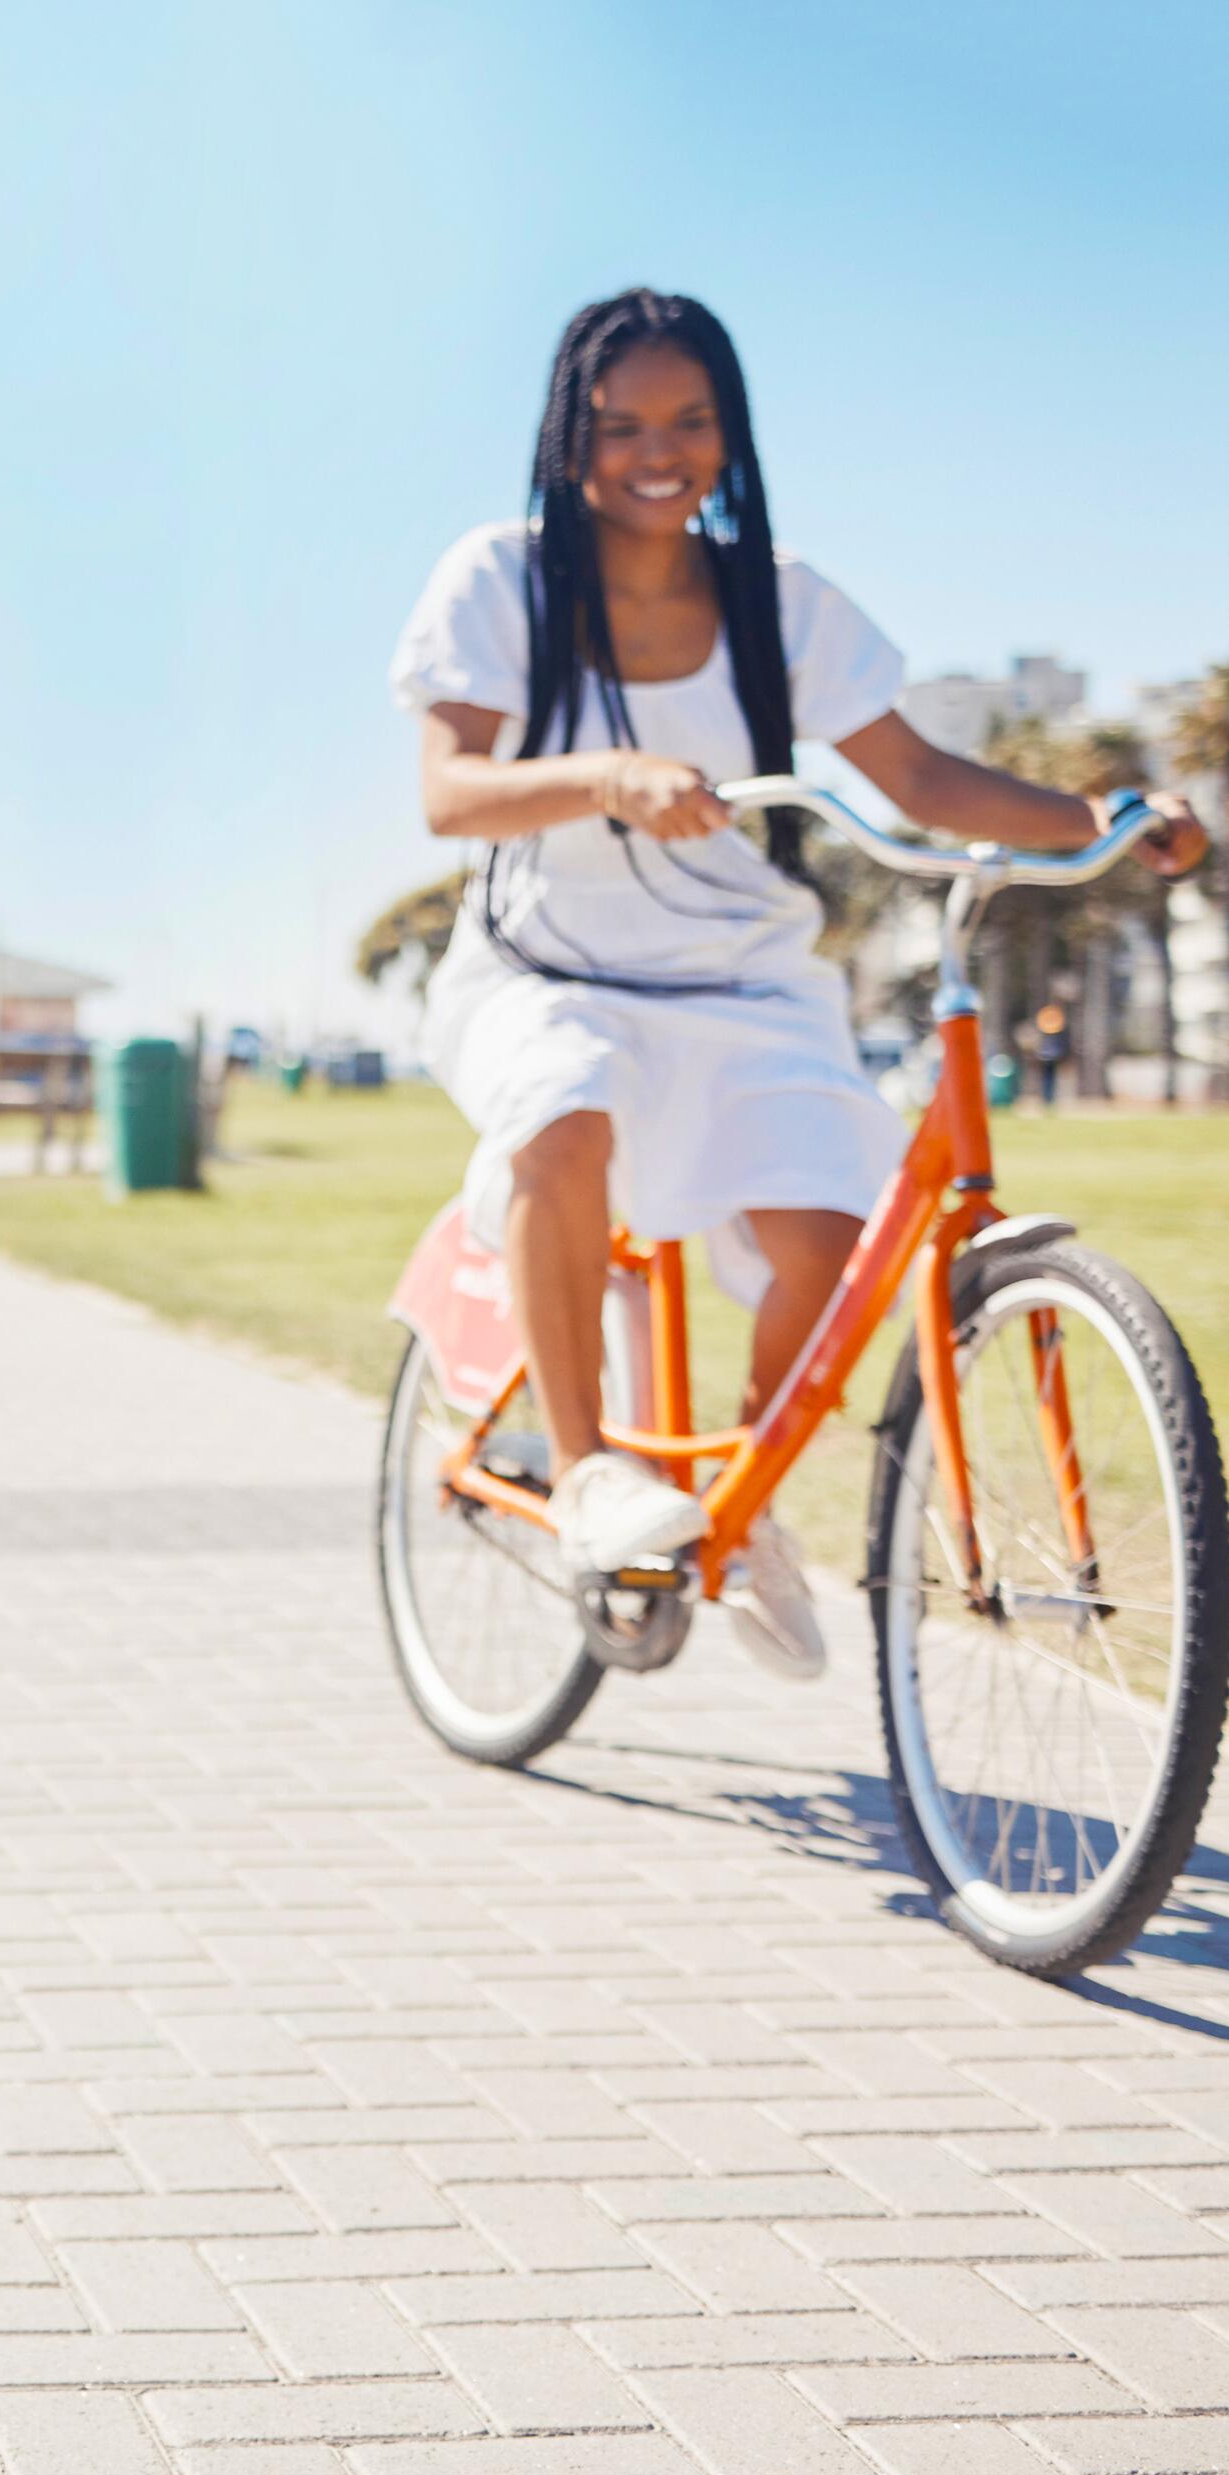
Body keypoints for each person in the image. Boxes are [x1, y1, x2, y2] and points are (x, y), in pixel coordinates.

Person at [393, 287, 1202, 1678]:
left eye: (692, 421)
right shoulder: (503, 578)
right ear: (569, 436)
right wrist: (606, 776)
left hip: (742, 974)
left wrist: (1103, 823)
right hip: (551, 964)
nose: (662, 450)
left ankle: (741, 1499)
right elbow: (450, 793)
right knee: (567, 1106)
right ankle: (589, 1473)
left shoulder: (779, 600)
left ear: (731, 433)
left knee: (834, 1238)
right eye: (624, 423)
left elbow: (925, 779)